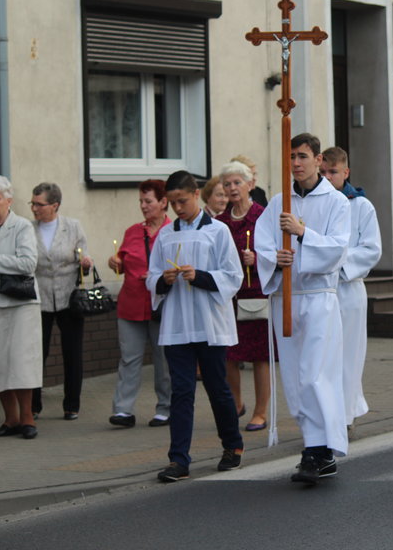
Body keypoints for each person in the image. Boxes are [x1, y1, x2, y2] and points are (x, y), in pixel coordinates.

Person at [255, 133, 350, 485]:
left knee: (315, 375)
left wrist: (303, 232)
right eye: (291, 156)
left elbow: (338, 249)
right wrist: (275, 259)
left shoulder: (336, 201)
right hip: (287, 298)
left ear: (318, 160)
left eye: (302, 156)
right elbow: (263, 244)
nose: (295, 163)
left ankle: (321, 449)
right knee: (295, 378)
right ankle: (315, 449)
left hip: (319, 298)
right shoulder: (279, 201)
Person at [147, 171, 244, 482]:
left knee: (217, 388)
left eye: (182, 201)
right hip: (177, 324)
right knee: (181, 392)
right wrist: (164, 280)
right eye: (172, 203)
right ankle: (178, 460)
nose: (177, 208)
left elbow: (233, 276)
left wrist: (199, 276)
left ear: (195, 194)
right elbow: (151, 276)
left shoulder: (217, 231)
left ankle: (232, 445)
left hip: (208, 322)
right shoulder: (165, 235)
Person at [320, 146, 382, 428]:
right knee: (323, 356)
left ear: (346, 172)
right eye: (323, 172)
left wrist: (335, 262)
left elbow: (371, 249)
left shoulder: (361, 206)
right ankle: (325, 413)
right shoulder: (317, 204)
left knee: (348, 355)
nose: (327, 177)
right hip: (319, 289)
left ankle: (345, 416)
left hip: (348, 288)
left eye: (333, 172)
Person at [107, 180, 172, 429]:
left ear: (163, 202)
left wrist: (159, 276)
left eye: (148, 201)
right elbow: (124, 263)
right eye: (141, 202)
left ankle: (165, 408)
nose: (143, 206)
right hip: (131, 304)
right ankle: (123, 410)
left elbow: (179, 265)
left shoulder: (173, 231)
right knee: (129, 359)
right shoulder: (132, 232)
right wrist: (116, 263)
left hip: (161, 305)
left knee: (164, 360)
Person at [216, 161, 271, 432]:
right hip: (230, 296)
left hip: (256, 292)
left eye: (237, 182)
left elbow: (278, 253)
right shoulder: (220, 222)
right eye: (227, 184)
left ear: (250, 184)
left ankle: (260, 412)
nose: (232, 188)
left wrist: (257, 259)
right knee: (229, 353)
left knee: (260, 356)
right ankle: (236, 403)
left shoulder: (263, 217)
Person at [30, 182, 93, 420]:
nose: (34, 208)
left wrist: (86, 263)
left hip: (69, 298)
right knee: (37, 354)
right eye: (32, 203)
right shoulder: (28, 229)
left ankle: (72, 405)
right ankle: (33, 406)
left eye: (39, 204)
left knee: (72, 353)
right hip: (40, 298)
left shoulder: (72, 226)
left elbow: (83, 256)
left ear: (55, 205)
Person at [0, 176, 41, 440]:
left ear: (8, 200)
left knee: (21, 362)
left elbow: (28, 263)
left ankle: (27, 418)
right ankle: (10, 418)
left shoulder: (22, 226)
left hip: (21, 303)